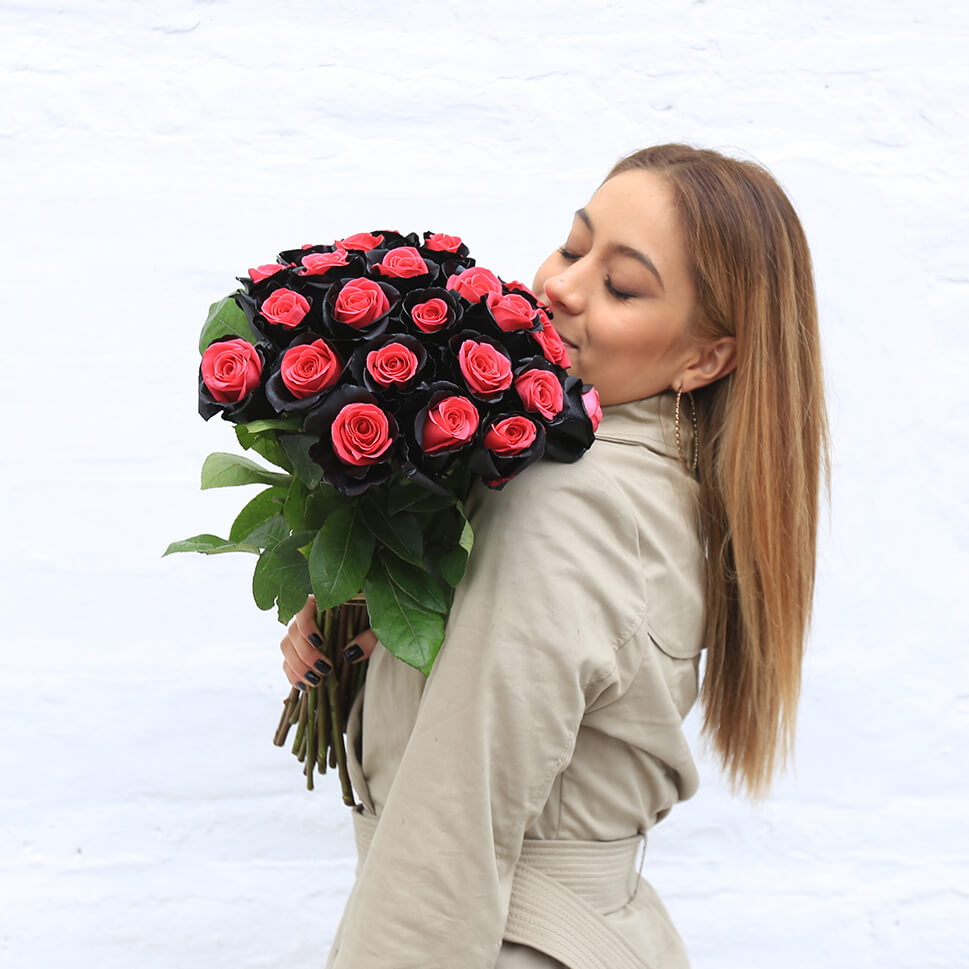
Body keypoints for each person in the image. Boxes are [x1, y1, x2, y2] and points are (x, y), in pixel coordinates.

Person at [279, 144, 828, 968]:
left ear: (705, 357)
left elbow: (456, 813)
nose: (561, 286)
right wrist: (378, 628)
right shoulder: (654, 488)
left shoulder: (566, 496)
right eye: (574, 247)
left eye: (622, 286)